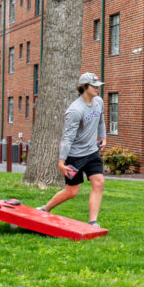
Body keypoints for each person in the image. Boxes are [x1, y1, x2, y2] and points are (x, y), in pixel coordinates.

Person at [41, 71, 107, 228]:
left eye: (98, 86)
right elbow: (67, 137)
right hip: (75, 156)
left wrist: (103, 137)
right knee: (72, 191)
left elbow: (101, 120)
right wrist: (61, 160)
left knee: (99, 183)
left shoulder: (99, 102)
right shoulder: (75, 110)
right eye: (94, 86)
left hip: (92, 152)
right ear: (84, 87)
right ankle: (45, 209)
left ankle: (93, 222)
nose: (98, 89)